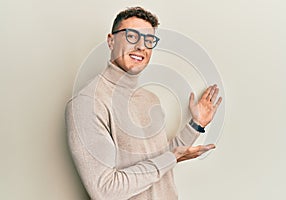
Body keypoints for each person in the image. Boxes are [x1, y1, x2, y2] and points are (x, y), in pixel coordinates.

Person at [65, 6, 222, 200]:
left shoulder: (149, 99)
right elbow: (105, 190)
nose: (141, 46)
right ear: (111, 41)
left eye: (149, 40)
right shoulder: (87, 103)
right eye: (132, 36)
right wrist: (170, 158)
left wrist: (196, 125)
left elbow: (162, 158)